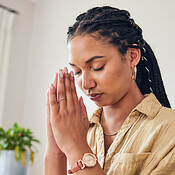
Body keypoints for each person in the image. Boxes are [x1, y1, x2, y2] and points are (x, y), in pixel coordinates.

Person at [44, 6, 175, 175]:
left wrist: (77, 148)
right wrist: (56, 150)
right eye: (77, 71)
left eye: (97, 67)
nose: (86, 84)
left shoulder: (169, 129)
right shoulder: (81, 130)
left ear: (132, 57)